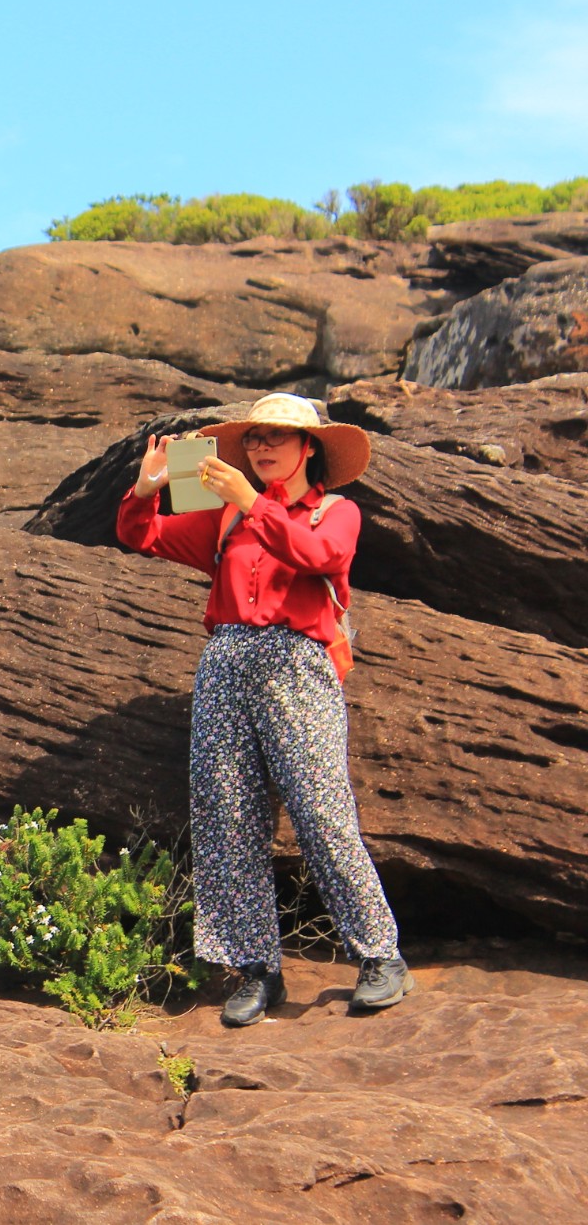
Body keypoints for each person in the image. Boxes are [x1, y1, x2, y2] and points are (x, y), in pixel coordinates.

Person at [116, 393, 412, 1027]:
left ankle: (381, 956)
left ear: (311, 449)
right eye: (254, 438)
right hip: (226, 662)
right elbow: (142, 536)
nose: (261, 447)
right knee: (227, 814)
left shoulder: (336, 511)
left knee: (321, 811)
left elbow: (318, 557)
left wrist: (252, 501)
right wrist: (146, 490)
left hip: (297, 667)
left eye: (278, 436)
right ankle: (255, 969)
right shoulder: (225, 518)